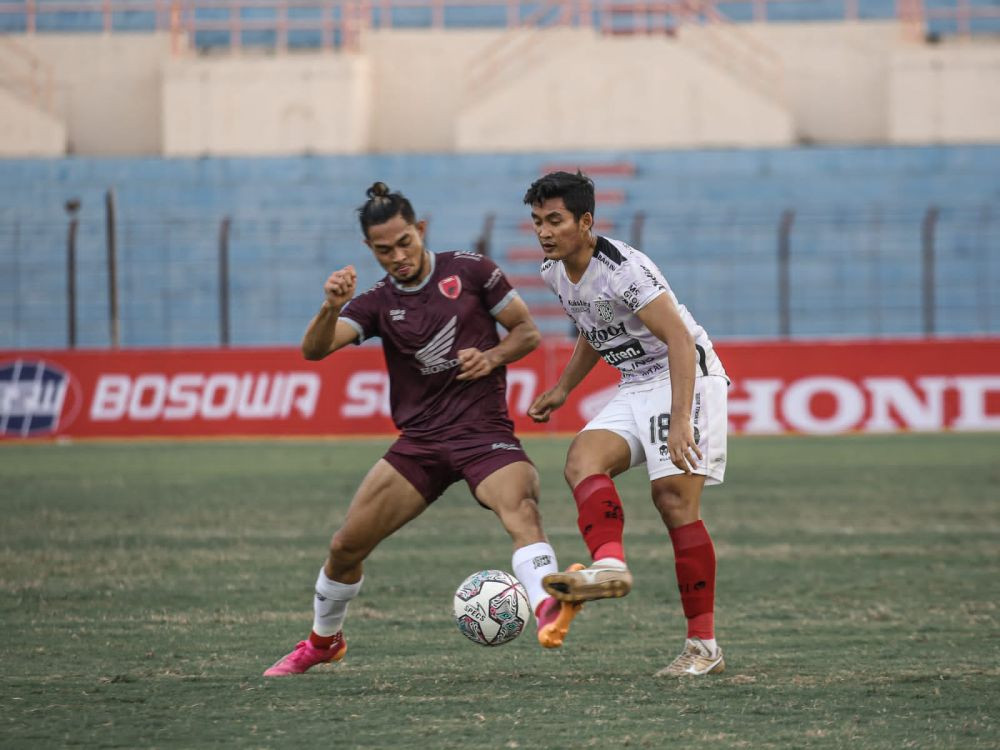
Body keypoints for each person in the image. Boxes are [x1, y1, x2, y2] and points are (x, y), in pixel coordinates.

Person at [264, 182, 582, 676]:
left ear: (421, 230)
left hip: (483, 434)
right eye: (384, 249)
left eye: (405, 242)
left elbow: (527, 332)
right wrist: (330, 306)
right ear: (370, 250)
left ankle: (547, 606)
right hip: (421, 444)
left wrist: (494, 356)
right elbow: (314, 351)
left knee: (521, 508)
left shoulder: (473, 271)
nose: (398, 256)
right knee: (345, 547)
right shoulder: (374, 302)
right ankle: (323, 642)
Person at [523, 171, 730, 678]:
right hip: (636, 382)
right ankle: (609, 565)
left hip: (686, 375)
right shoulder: (553, 270)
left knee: (674, 502)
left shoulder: (625, 268)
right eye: (536, 222)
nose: (544, 232)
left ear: (586, 221)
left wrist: (681, 420)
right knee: (582, 459)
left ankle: (703, 648)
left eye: (555, 221)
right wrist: (564, 389)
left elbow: (680, 340)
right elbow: (596, 328)